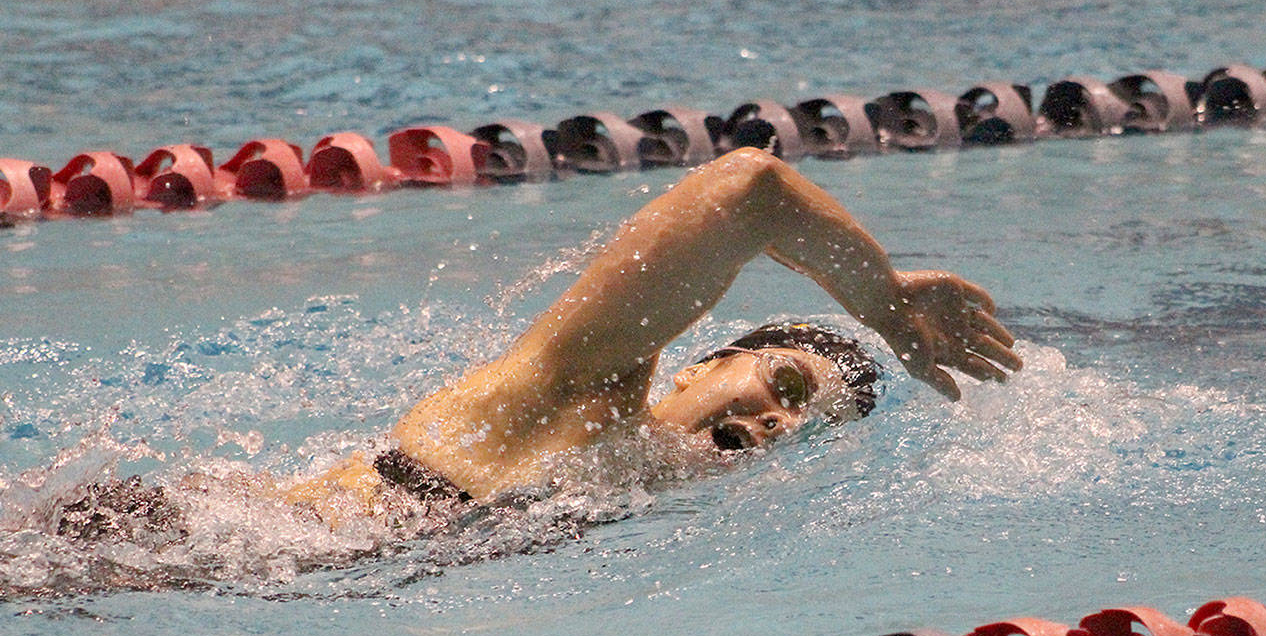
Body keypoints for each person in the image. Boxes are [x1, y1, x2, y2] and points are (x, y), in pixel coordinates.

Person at [283, 147, 1021, 517]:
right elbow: (749, 188)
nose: (778, 419)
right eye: (786, 384)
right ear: (703, 365)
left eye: (803, 423)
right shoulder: (580, 388)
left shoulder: (621, 497)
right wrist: (884, 300)